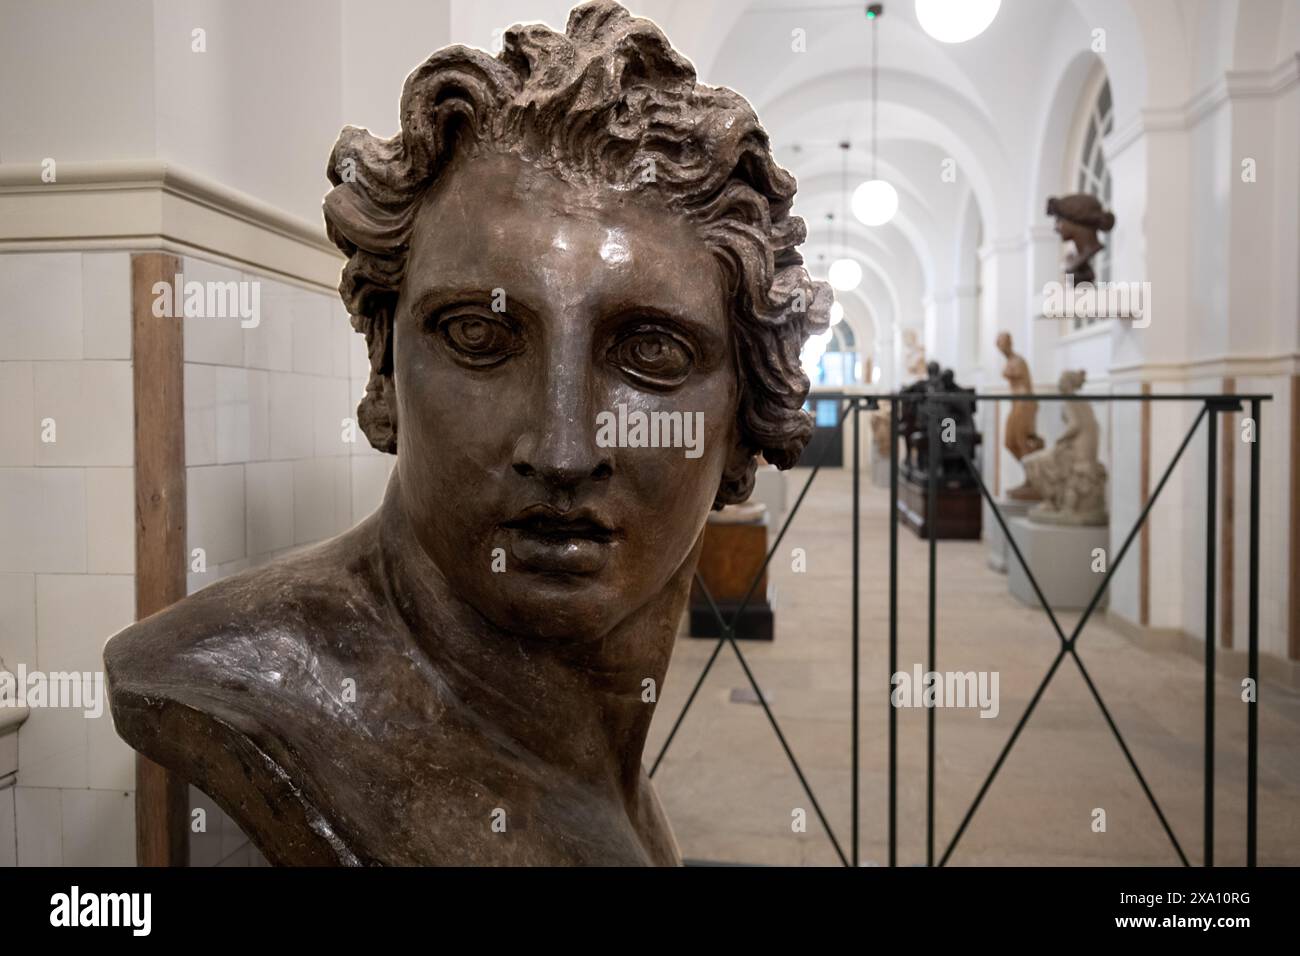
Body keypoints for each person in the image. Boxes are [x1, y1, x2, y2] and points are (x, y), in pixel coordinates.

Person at [103, 0, 829, 866]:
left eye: (649, 353)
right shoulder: (238, 685)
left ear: (749, 422)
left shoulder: (592, 758)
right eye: (479, 339)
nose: (562, 449)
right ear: (383, 369)